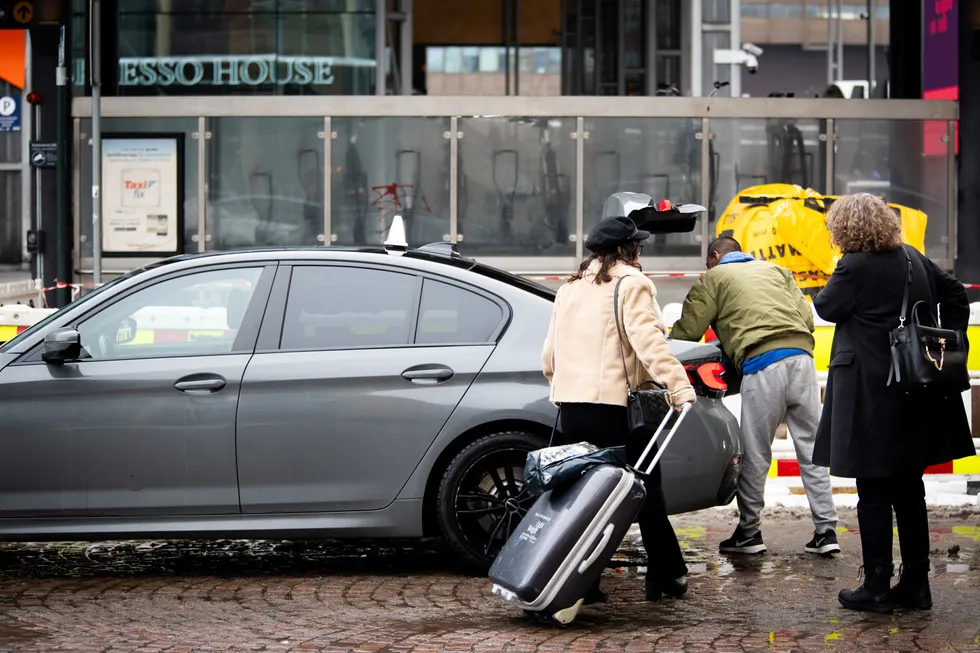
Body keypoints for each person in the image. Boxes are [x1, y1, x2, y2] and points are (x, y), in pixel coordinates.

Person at [812, 193, 974, 613]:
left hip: (871, 391)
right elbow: (955, 293)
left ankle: (878, 586)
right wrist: (948, 339)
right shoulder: (912, 258)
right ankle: (917, 585)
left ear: (845, 229)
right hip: (916, 389)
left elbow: (826, 307)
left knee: (872, 489)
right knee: (908, 488)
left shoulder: (852, 266)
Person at [541, 214, 698, 603]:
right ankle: (667, 574)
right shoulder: (632, 284)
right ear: (627, 249)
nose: (642, 251)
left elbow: (549, 355)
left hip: (573, 409)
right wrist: (679, 385)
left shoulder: (570, 289)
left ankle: (582, 584)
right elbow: (649, 342)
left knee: (585, 499)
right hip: (617, 409)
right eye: (638, 246)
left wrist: (561, 388)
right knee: (645, 490)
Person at [671, 237, 840, 556]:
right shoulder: (778, 270)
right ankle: (826, 531)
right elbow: (806, 320)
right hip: (803, 362)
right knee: (812, 449)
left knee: (756, 453)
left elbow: (686, 334)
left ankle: (749, 533)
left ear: (715, 256)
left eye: (709, 262)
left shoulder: (714, 277)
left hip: (763, 365)